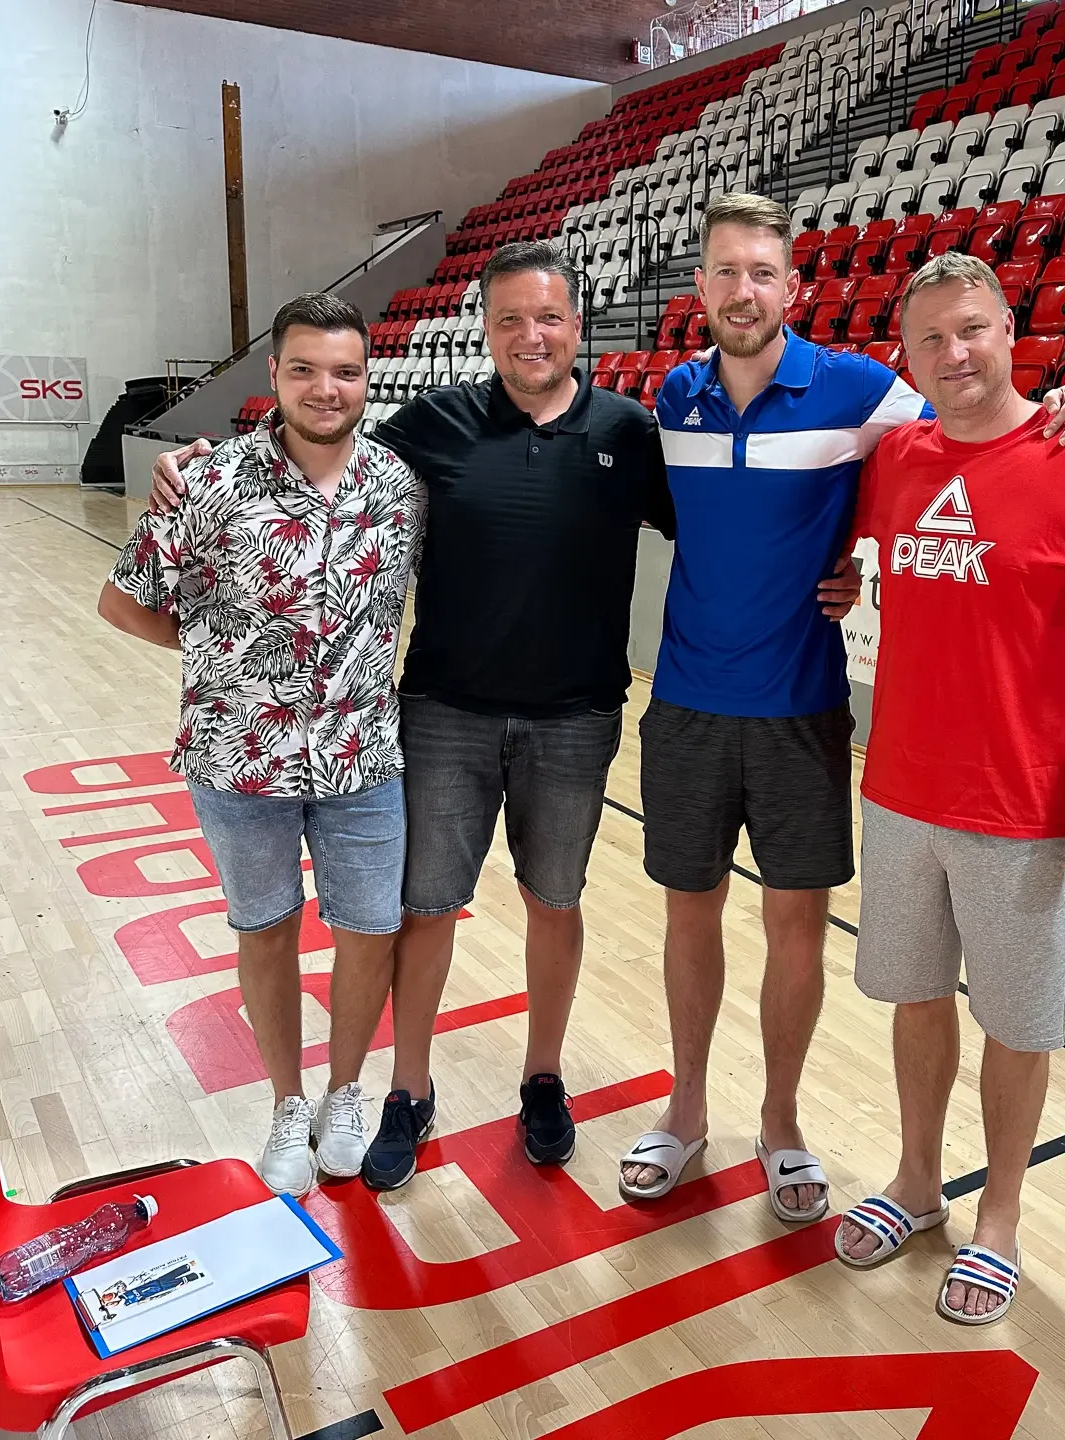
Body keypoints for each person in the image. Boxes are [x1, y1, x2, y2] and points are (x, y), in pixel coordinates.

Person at [618, 193, 1065, 1223]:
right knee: (688, 914)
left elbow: (975, 423)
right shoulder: (674, 396)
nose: (744, 291)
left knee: (796, 926)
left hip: (803, 710)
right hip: (684, 706)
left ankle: (782, 1121)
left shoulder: (859, 389)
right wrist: (850, 556)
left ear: (793, 286)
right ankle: (685, 1109)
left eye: (763, 272)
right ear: (700, 287)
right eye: (726, 272)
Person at [151, 242, 676, 1192]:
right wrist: (199, 465)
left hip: (576, 719)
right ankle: (408, 1089)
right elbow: (321, 447)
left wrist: (838, 563)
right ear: (486, 329)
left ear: (578, 326)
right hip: (442, 717)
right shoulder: (431, 426)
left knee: (556, 904)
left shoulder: (631, 433)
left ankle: (543, 1078)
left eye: (548, 318)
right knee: (424, 911)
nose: (530, 336)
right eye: (510, 319)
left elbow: (719, 525)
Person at [831, 253, 1065, 1326]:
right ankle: (917, 1183)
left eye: (972, 328)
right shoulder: (899, 459)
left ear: (1011, 330)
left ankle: (1002, 1219)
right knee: (917, 997)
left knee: (1017, 1024)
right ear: (907, 356)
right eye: (930, 338)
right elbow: (856, 564)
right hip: (898, 791)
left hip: (1023, 806)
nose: (955, 353)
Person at [102, 293, 425, 1197]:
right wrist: (219, 653)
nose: (327, 389)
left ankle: (345, 1091)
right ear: (275, 373)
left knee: (370, 931)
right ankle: (287, 1102)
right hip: (239, 757)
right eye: (305, 369)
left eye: (346, 372)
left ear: (368, 378)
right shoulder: (206, 480)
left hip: (363, 755)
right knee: (267, 928)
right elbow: (123, 600)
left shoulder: (401, 487)